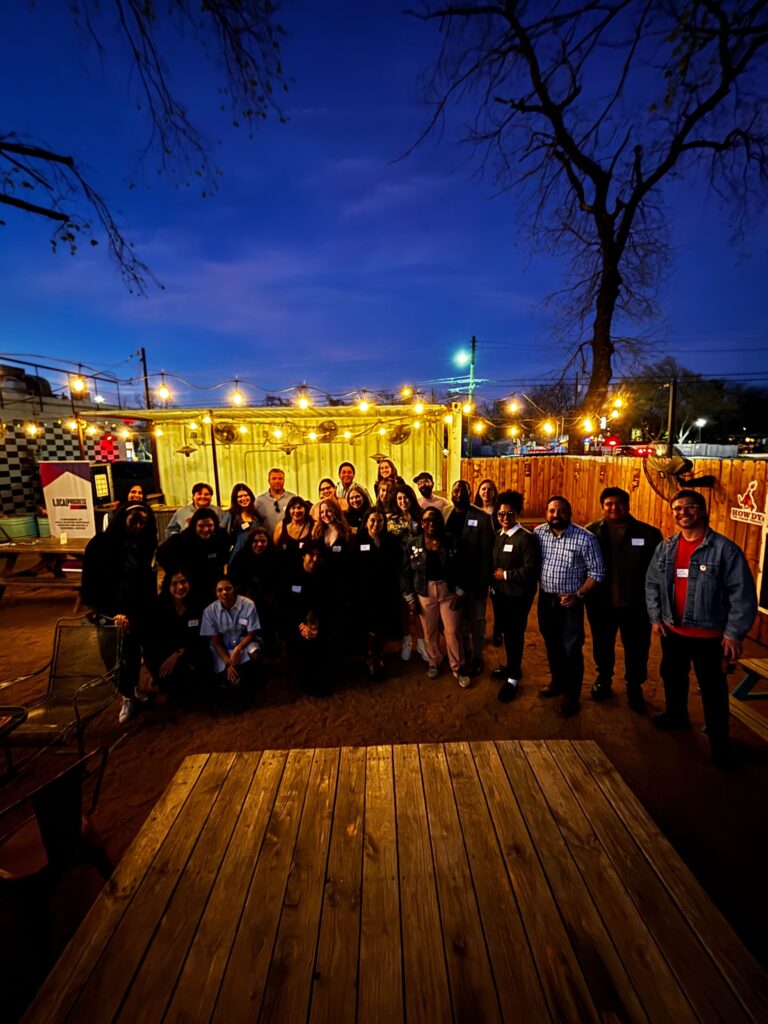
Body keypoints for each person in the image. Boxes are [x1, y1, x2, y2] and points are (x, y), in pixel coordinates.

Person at [645, 489, 757, 768]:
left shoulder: (725, 550)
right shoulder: (666, 547)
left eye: (690, 507)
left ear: (703, 510)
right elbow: (652, 584)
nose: (682, 512)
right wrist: (656, 617)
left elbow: (742, 594)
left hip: (710, 636)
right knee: (672, 676)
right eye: (677, 508)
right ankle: (677, 716)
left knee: (713, 690)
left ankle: (720, 745)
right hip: (673, 631)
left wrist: (733, 633)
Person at [585, 487, 663, 711]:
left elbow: (658, 571)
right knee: (602, 644)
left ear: (628, 505)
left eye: (619, 503)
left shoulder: (649, 534)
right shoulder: (591, 533)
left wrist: (656, 604)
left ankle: (634, 686)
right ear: (602, 506)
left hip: (636, 605)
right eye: (609, 503)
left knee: (637, 648)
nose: (614, 507)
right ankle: (604, 678)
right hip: (601, 604)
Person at [81, 502, 158, 724]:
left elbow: (146, 578)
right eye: (135, 520)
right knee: (111, 655)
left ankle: (132, 691)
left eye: (143, 522)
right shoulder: (100, 544)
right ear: (123, 517)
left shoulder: (143, 543)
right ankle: (125, 693)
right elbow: (90, 580)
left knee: (133, 653)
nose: (139, 525)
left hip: (136, 609)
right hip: (108, 611)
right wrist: (104, 610)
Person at [534, 495, 605, 716]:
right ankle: (557, 682)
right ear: (546, 513)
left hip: (570, 603)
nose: (556, 515)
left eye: (561, 511)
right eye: (552, 511)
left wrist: (579, 594)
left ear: (570, 513)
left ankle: (571, 695)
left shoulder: (586, 538)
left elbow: (597, 572)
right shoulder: (538, 534)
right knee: (551, 644)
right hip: (546, 599)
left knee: (571, 649)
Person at [403, 508, 470, 688]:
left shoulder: (451, 541)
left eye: (435, 520)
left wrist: (460, 592)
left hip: (448, 591)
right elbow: (406, 572)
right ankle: (434, 662)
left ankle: (458, 667)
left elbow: (464, 567)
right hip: (424, 592)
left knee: (452, 630)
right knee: (429, 630)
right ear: (421, 523)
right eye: (427, 521)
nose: (431, 524)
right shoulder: (413, 543)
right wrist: (410, 598)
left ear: (441, 522)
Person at [491, 490, 540, 702]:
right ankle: (510, 667)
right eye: (501, 514)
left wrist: (506, 575)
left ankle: (513, 678)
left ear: (517, 514)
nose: (505, 518)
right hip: (501, 595)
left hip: (518, 597)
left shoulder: (526, 539)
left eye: (509, 514)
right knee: (506, 633)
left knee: (514, 634)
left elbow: (531, 570)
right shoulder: (499, 535)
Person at [443, 479, 494, 675]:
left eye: (463, 491)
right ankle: (464, 651)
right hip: (452, 580)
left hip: (475, 579)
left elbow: (487, 554)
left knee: (477, 621)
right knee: (459, 620)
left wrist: (484, 583)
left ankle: (478, 657)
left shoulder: (482, 517)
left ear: (470, 494)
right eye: (455, 490)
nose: (459, 494)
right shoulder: (445, 512)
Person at [145, 569, 210, 703]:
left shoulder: (197, 604)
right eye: (174, 583)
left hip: (189, 650)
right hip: (165, 654)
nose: (180, 587)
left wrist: (180, 653)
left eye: (183, 582)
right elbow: (154, 640)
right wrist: (170, 656)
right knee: (169, 689)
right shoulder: (158, 607)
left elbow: (201, 635)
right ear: (167, 586)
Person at [355, 508, 402, 680]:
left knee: (382, 626)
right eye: (372, 520)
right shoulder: (358, 541)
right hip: (366, 592)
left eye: (380, 521)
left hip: (386, 590)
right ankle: (370, 657)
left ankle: (378, 654)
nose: (376, 524)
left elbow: (397, 564)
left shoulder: (390, 541)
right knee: (370, 627)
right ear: (366, 522)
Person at [280, 540, 330, 697]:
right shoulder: (291, 576)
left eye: (318, 556)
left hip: (317, 622)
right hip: (294, 623)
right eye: (311, 555)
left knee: (321, 640)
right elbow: (285, 606)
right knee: (302, 644)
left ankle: (317, 678)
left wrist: (317, 625)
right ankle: (306, 681)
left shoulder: (324, 575)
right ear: (303, 556)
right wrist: (300, 625)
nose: (314, 559)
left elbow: (327, 604)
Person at [157, 507, 230, 606]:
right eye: (201, 526)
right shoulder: (181, 539)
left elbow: (224, 557)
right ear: (194, 525)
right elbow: (161, 555)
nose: (206, 529)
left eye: (210, 525)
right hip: (189, 586)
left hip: (211, 585)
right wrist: (175, 572)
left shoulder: (221, 537)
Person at [200, 577, 262, 690]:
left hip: (243, 641)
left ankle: (252, 677)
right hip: (221, 646)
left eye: (228, 588)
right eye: (220, 590)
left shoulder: (248, 604)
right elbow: (216, 641)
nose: (224, 592)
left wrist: (238, 648)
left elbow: (251, 634)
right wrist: (227, 663)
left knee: (255, 653)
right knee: (231, 679)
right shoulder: (209, 611)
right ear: (216, 593)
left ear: (235, 589)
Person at [229, 526, 281, 655]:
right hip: (246, 600)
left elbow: (280, 580)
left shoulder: (275, 556)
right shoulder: (241, 557)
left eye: (263, 541)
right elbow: (234, 580)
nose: (259, 544)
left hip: (268, 601)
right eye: (255, 541)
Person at [474, 477, 502, 644]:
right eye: (483, 489)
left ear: (494, 492)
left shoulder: (500, 511)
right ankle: (479, 632)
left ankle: (498, 631)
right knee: (480, 599)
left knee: (498, 599)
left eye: (490, 489)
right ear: (479, 492)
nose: (486, 492)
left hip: (497, 559)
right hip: (480, 560)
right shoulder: (474, 510)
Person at [221, 482, 262, 561]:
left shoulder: (256, 515)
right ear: (235, 499)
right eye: (240, 496)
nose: (243, 498)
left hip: (255, 556)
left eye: (246, 495)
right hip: (236, 557)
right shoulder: (230, 515)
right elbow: (221, 534)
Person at [255, 468, 296, 534]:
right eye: (274, 479)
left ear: (284, 480)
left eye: (280, 478)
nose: (277, 481)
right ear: (269, 481)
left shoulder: (293, 498)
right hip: (267, 539)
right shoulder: (259, 501)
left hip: (289, 538)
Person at [274, 495, 313, 562]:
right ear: (288, 510)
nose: (296, 511)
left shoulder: (313, 526)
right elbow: (275, 548)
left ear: (305, 509)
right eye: (293, 508)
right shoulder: (281, 526)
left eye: (299, 507)